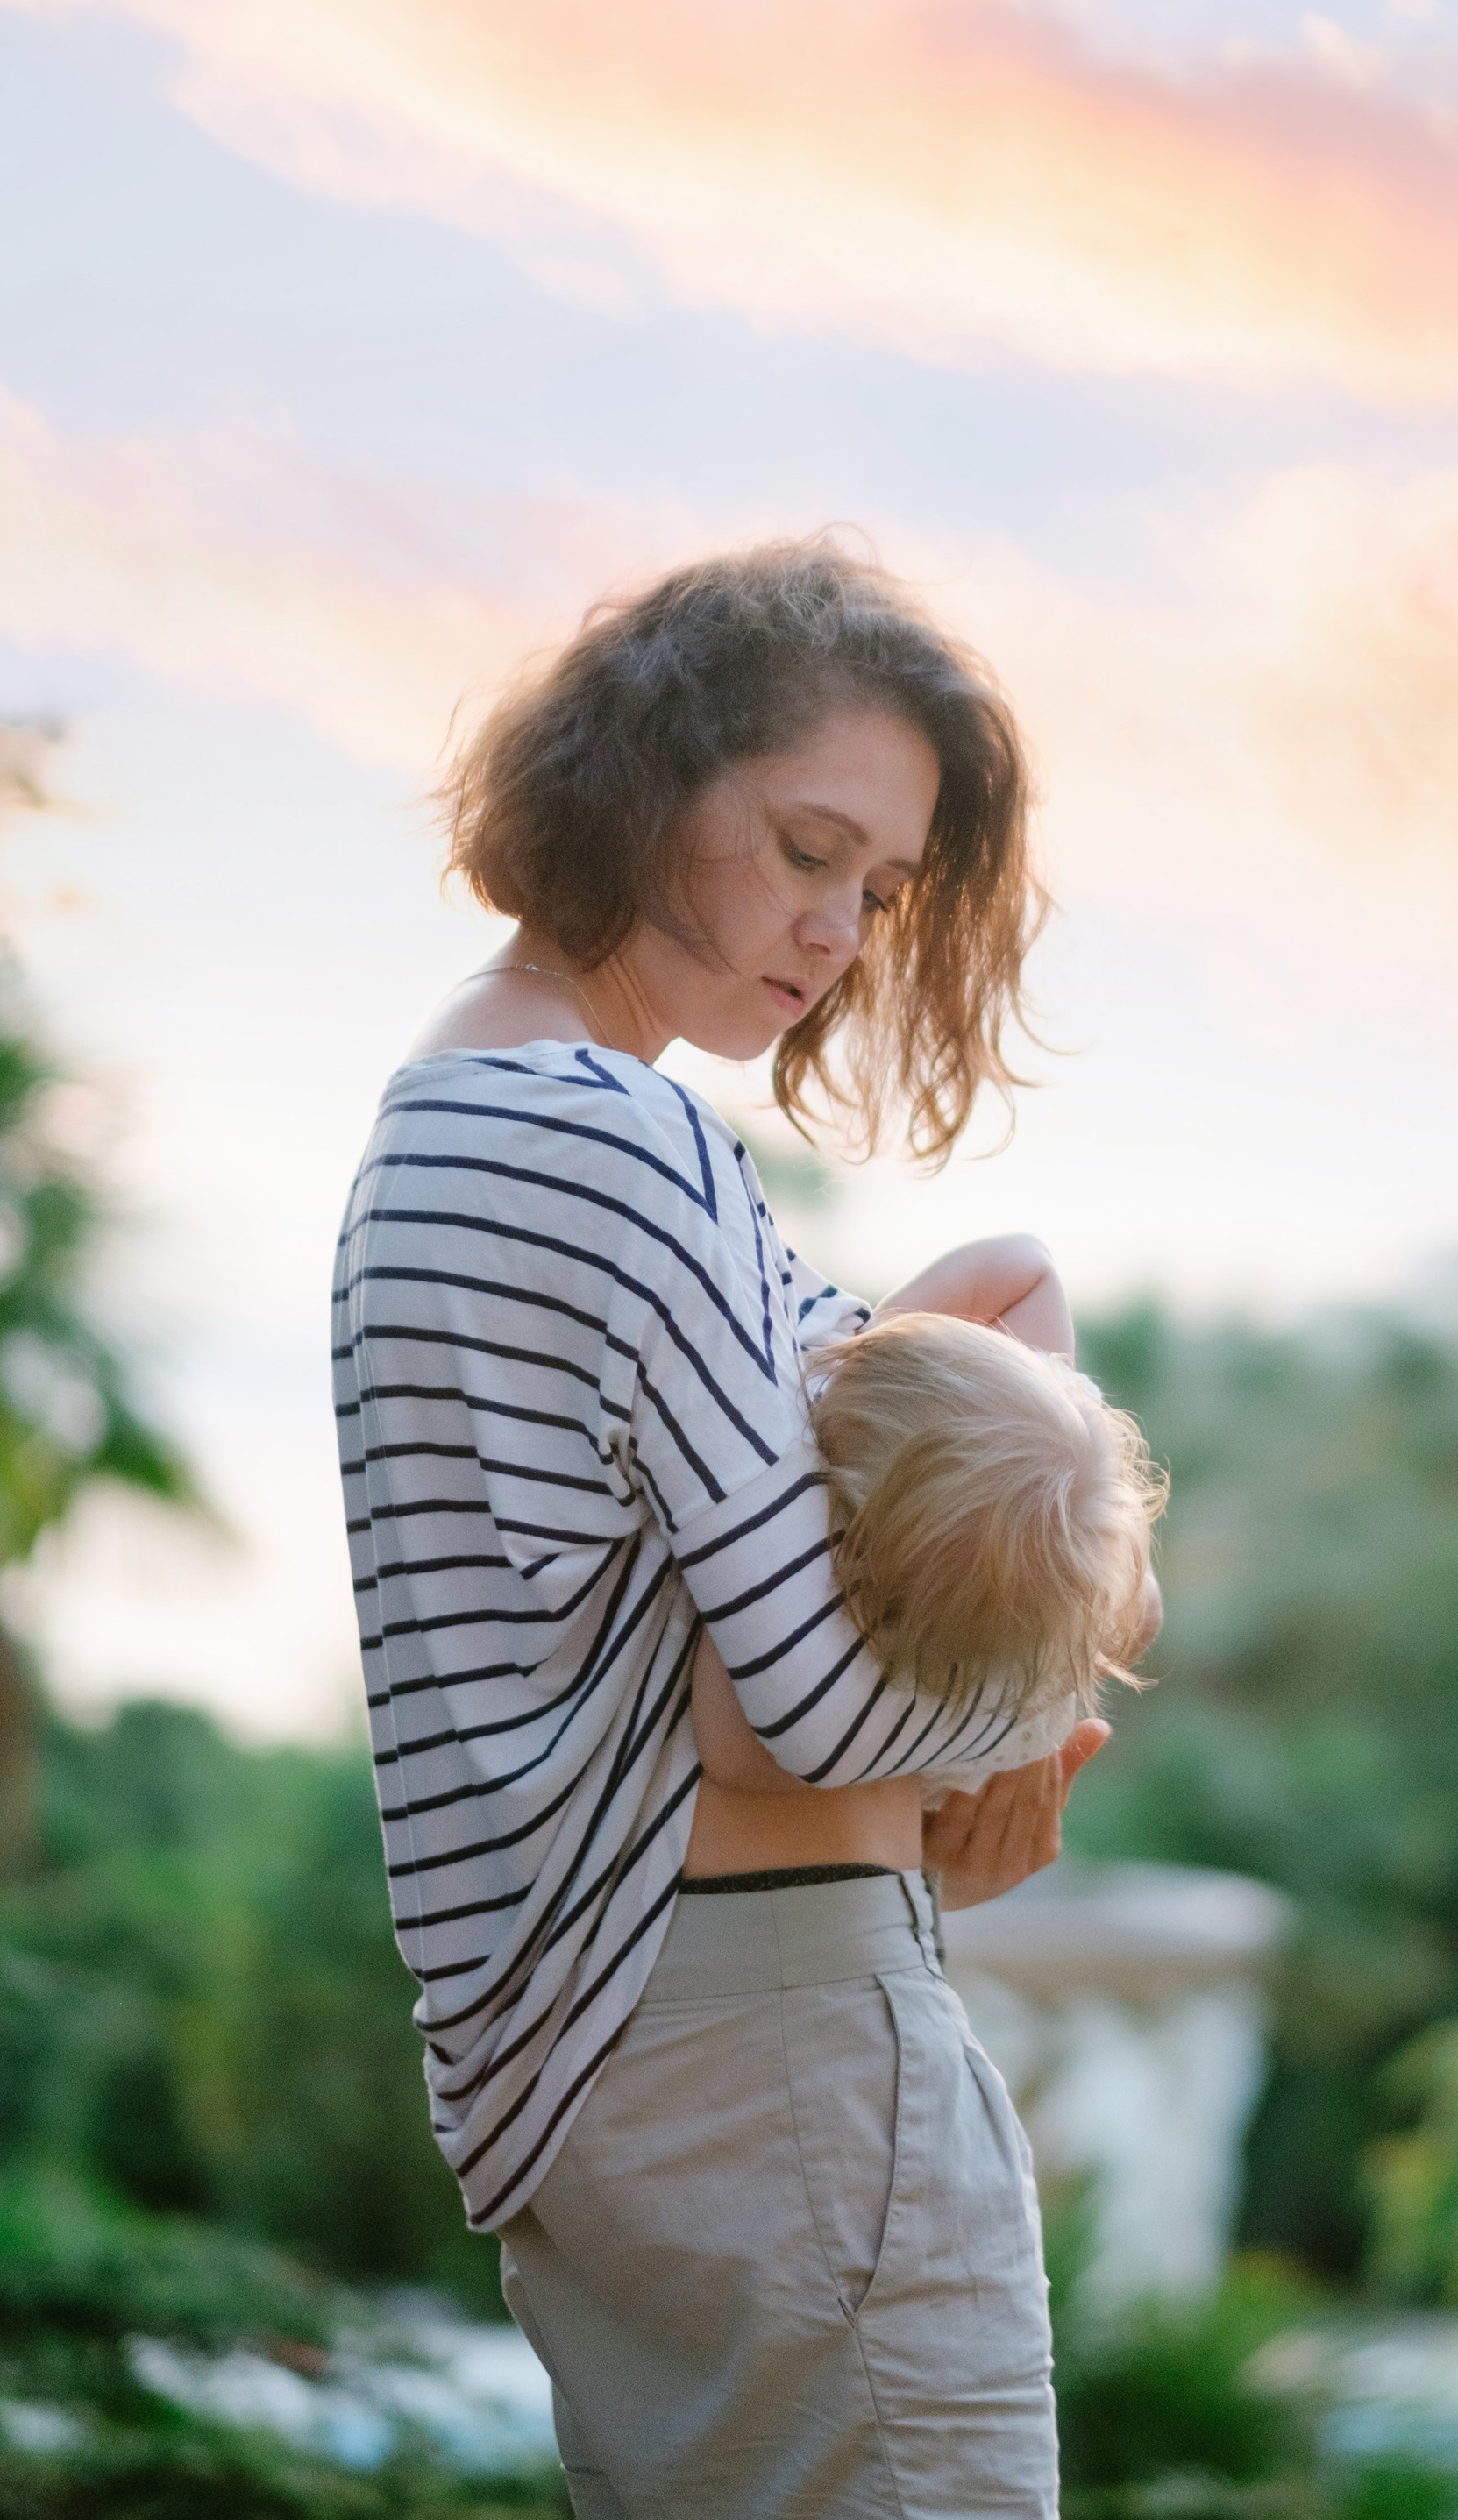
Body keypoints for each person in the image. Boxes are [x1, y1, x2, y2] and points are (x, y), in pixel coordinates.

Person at [333, 541, 1120, 2519]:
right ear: (641, 779)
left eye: (875, 888)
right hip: (772, 2052)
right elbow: (809, 1707)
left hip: (629, 2084)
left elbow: (710, 1590)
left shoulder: (439, 1126)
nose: (837, 928)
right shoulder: (621, 1140)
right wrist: (1026, 1724)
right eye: (800, 847)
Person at [687, 1260, 1166, 1858]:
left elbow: (731, 1759)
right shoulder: (1053, 1428)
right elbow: (1029, 1269)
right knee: (1138, 1612)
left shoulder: (839, 1691)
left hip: (940, 1766)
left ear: (853, 1563)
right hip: (1026, 1685)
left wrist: (872, 1345)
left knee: (1131, 1613)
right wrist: (886, 1350)